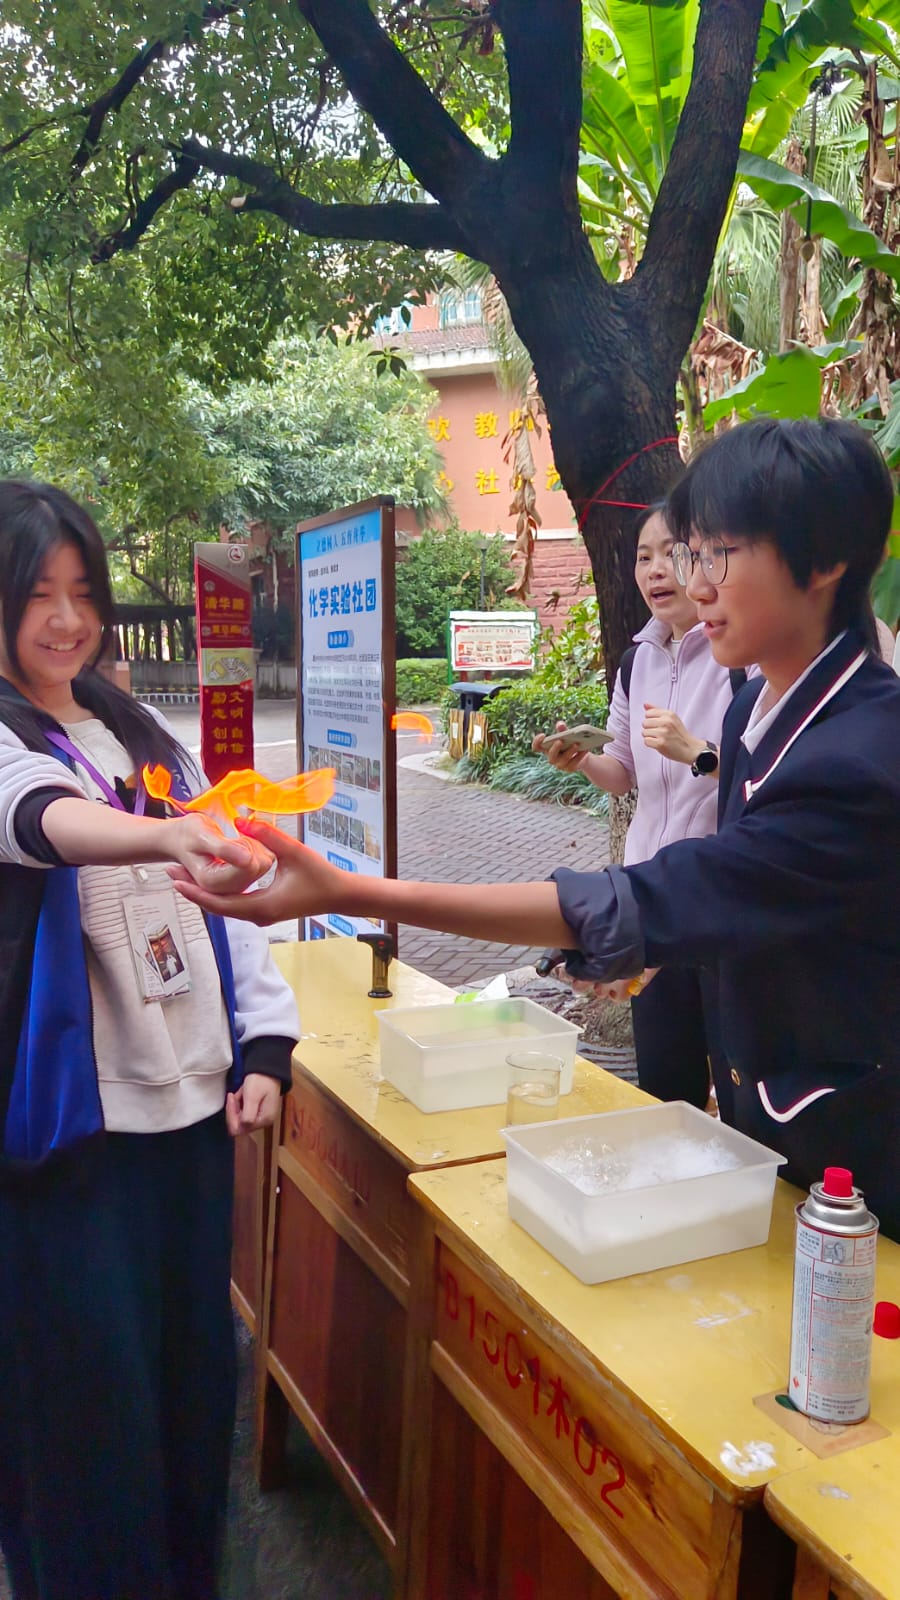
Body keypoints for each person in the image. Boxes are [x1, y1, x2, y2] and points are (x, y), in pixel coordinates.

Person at [175, 418, 900, 1242]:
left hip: (860, 1165)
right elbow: (755, 898)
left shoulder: (859, 758)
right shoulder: (756, 712)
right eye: (690, 554)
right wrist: (642, 947)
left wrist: (350, 891)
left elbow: (690, 889)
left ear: (824, 560)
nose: (696, 584)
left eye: (720, 554)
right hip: (779, 1137)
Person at [0, 482, 300, 1600]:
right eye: (36, 594)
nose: (66, 620)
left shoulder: (138, 731)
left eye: (84, 593)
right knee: (84, 1412)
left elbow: (231, 897)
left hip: (189, 1122)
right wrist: (161, 833)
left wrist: (264, 1048)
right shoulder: (12, 741)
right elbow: (39, 817)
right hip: (70, 1139)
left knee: (188, 1385)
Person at [533, 503, 743, 1110]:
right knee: (666, 1083)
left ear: (705, 560)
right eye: (642, 556)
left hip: (720, 901)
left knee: (739, 1088)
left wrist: (697, 753)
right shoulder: (637, 661)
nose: (654, 570)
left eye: (670, 553)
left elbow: (769, 777)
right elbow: (622, 774)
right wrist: (582, 759)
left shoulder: (739, 656)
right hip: (650, 898)